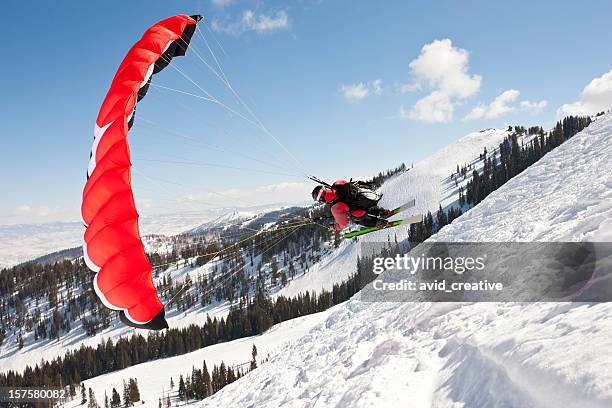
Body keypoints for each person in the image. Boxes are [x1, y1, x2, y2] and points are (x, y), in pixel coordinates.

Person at [311, 179, 393, 231]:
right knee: (361, 206)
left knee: (357, 218)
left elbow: (344, 224)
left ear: (322, 199)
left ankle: (379, 223)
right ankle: (383, 212)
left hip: (361, 210)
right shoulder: (337, 183)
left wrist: (335, 227)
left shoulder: (335, 208)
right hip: (366, 197)